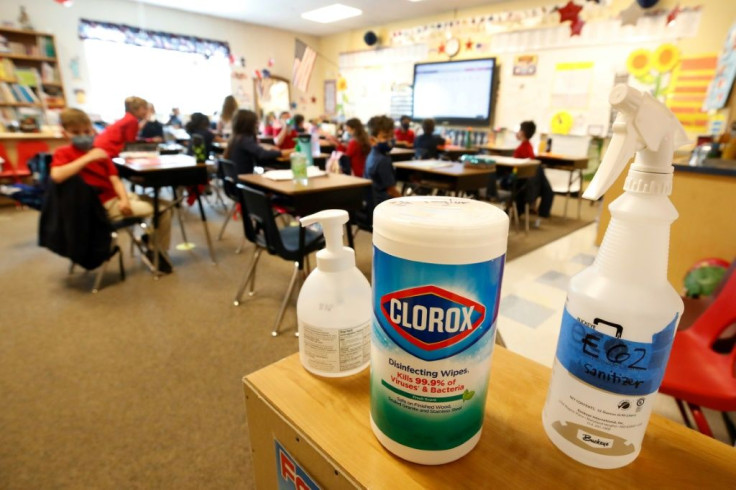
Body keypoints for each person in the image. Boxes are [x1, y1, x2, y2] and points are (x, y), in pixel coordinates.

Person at [50, 108, 173, 273]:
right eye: (75, 132)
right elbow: (57, 175)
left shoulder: (100, 153)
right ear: (65, 133)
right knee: (163, 209)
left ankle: (151, 241)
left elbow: (115, 180)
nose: (82, 135)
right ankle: (155, 251)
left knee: (166, 204)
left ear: (92, 130)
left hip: (115, 198)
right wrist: (87, 158)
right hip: (98, 207)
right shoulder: (63, 153)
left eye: (86, 131)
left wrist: (124, 200)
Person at [224, 109, 292, 175]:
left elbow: (258, 151)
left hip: (237, 180)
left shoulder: (236, 138)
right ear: (249, 124)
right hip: (244, 181)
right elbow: (262, 154)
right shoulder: (244, 139)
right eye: (256, 122)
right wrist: (290, 151)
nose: (257, 124)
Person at [513, 120, 553, 223]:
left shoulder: (521, 149)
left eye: (518, 130)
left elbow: (515, 168)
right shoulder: (529, 146)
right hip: (532, 181)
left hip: (524, 180)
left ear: (522, 132)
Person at [365, 115, 401, 208]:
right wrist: (405, 202)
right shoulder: (383, 160)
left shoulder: (372, 155)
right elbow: (391, 191)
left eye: (392, 136)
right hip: (384, 205)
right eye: (385, 137)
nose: (390, 140)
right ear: (372, 140)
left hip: (373, 204)